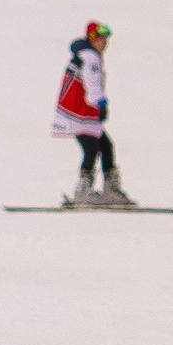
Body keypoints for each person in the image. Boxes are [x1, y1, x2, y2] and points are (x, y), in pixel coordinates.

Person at [52, 21, 129, 206]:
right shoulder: (90, 57)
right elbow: (92, 83)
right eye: (102, 40)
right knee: (93, 149)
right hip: (79, 115)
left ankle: (110, 190)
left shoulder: (85, 54)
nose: (105, 44)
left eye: (106, 40)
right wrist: (100, 103)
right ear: (93, 39)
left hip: (80, 114)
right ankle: (83, 192)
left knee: (105, 146)